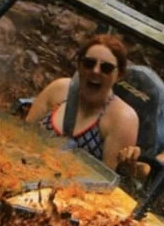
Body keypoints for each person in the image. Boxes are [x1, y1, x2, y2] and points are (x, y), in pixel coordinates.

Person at [25, 34, 140, 170]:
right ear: (79, 66)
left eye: (106, 68)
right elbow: (23, 133)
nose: (95, 71)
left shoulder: (122, 118)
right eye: (89, 63)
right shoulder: (59, 89)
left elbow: (105, 182)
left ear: (119, 75)